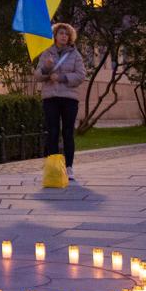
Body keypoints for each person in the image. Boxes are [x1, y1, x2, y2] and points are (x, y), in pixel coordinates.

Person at [34, 22, 85, 181]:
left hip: (69, 98)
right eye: (61, 33)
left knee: (68, 133)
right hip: (51, 98)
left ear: (70, 37)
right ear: (55, 36)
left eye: (66, 34)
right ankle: (54, 167)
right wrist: (46, 69)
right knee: (53, 132)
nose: (64, 36)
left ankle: (69, 167)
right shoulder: (47, 54)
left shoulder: (75, 55)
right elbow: (37, 75)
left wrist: (63, 78)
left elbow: (81, 75)